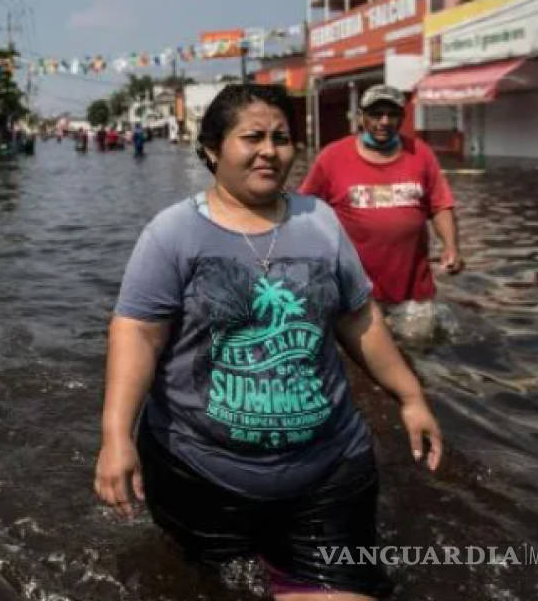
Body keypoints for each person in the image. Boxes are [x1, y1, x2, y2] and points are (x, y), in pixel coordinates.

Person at [95, 84, 442, 600]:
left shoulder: (319, 221)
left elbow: (358, 317)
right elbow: (138, 333)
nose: (269, 150)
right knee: (210, 585)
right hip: (199, 475)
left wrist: (410, 397)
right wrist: (116, 435)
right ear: (212, 149)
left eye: (281, 138)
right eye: (251, 136)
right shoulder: (172, 234)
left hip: (329, 470)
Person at [299, 85, 463, 341]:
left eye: (392, 114)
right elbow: (303, 209)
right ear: (361, 116)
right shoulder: (332, 157)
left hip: (412, 292)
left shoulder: (421, 154)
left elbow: (441, 204)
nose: (384, 122)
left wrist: (451, 247)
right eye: (376, 114)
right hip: (351, 293)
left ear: (402, 117)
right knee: (356, 365)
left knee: (415, 356)